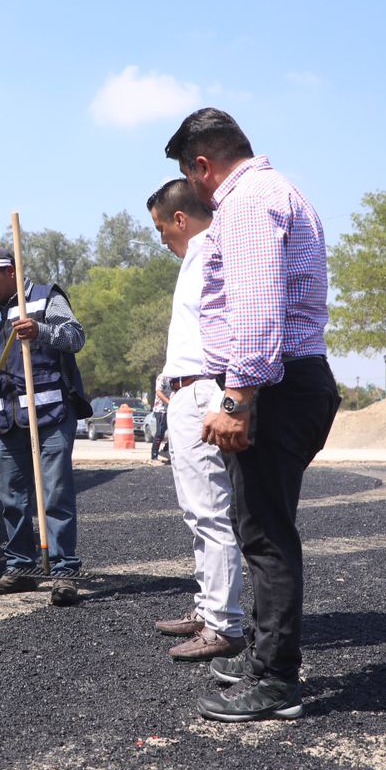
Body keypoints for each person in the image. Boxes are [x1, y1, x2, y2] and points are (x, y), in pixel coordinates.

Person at [165, 108, 341, 722]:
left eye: (194, 176)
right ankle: (265, 660)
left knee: (266, 538)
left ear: (203, 165)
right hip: (294, 381)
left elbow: (257, 308)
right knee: (259, 529)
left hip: (275, 387)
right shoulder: (281, 191)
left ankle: (275, 683)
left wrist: (238, 399)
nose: (199, 188)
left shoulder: (246, 202)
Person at [146, 177, 245, 662]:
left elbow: (235, 327)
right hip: (190, 389)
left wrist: (222, 397)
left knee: (209, 510)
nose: (162, 240)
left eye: (162, 229)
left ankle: (224, 623)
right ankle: (210, 610)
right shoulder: (197, 256)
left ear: (180, 219)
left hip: (204, 387)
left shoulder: (212, 251)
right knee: (199, 509)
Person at [0, 244, 88, 602]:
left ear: (11, 272)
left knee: (56, 494)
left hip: (51, 416)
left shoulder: (47, 298)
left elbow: (76, 337)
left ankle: (65, 572)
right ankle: (20, 567)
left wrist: (41, 331)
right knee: (12, 499)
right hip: (9, 419)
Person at [148, 377, 170, 463]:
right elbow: (158, 392)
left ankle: (166, 451)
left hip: (172, 409)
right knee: (160, 432)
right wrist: (169, 402)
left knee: (174, 433)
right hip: (161, 409)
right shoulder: (162, 377)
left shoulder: (176, 376)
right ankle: (154, 457)